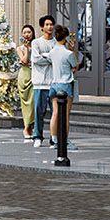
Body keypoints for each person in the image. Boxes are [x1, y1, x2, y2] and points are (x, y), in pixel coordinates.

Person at [45, 25, 79, 148]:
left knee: (55, 113)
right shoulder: (68, 53)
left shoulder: (52, 52)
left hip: (54, 84)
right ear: (65, 38)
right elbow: (76, 66)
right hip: (65, 84)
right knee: (65, 115)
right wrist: (74, 50)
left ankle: (55, 140)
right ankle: (64, 141)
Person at [27, 15, 57, 146]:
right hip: (39, 82)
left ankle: (54, 137)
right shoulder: (36, 43)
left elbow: (58, 59)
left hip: (54, 82)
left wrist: (44, 56)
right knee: (39, 111)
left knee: (55, 113)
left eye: (51, 24)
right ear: (42, 27)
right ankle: (37, 136)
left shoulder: (57, 42)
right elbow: (35, 59)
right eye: (47, 25)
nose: (49, 27)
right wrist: (50, 57)